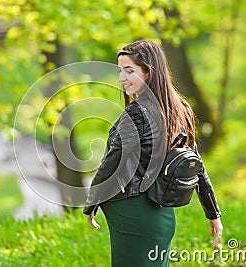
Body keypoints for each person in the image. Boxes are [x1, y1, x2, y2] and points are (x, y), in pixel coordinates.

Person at [83, 40, 223, 267]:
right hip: (161, 214)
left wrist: (91, 202)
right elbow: (197, 164)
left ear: (149, 72)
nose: (121, 78)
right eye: (120, 70)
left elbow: (112, 162)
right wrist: (213, 213)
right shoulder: (181, 109)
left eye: (129, 71)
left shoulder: (137, 113)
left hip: (132, 214)